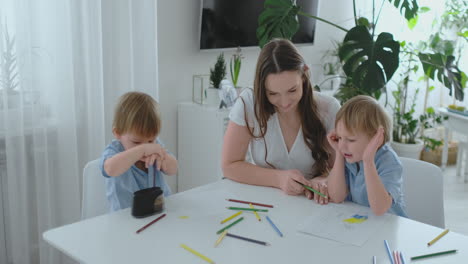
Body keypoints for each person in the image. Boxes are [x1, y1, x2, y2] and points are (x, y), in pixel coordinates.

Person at [221, 38, 341, 204]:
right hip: (262, 202)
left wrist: (324, 180)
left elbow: (339, 168)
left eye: (292, 90)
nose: (284, 102)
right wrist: (278, 179)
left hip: (312, 204)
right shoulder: (249, 102)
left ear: (304, 75)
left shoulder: (329, 108)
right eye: (273, 94)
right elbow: (229, 165)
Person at [327, 95, 407, 217]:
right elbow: (336, 196)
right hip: (361, 224)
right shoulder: (349, 156)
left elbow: (379, 209)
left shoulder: (390, 163)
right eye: (339, 137)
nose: (342, 146)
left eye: (351, 140)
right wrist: (338, 153)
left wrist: (368, 161)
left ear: (375, 138)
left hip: (387, 228)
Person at [100, 92, 178, 212]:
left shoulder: (155, 146)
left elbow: (174, 169)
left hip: (158, 212)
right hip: (125, 218)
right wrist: (141, 150)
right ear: (118, 133)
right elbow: (110, 169)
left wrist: (162, 156)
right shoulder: (114, 150)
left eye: (151, 140)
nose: (146, 147)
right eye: (136, 142)